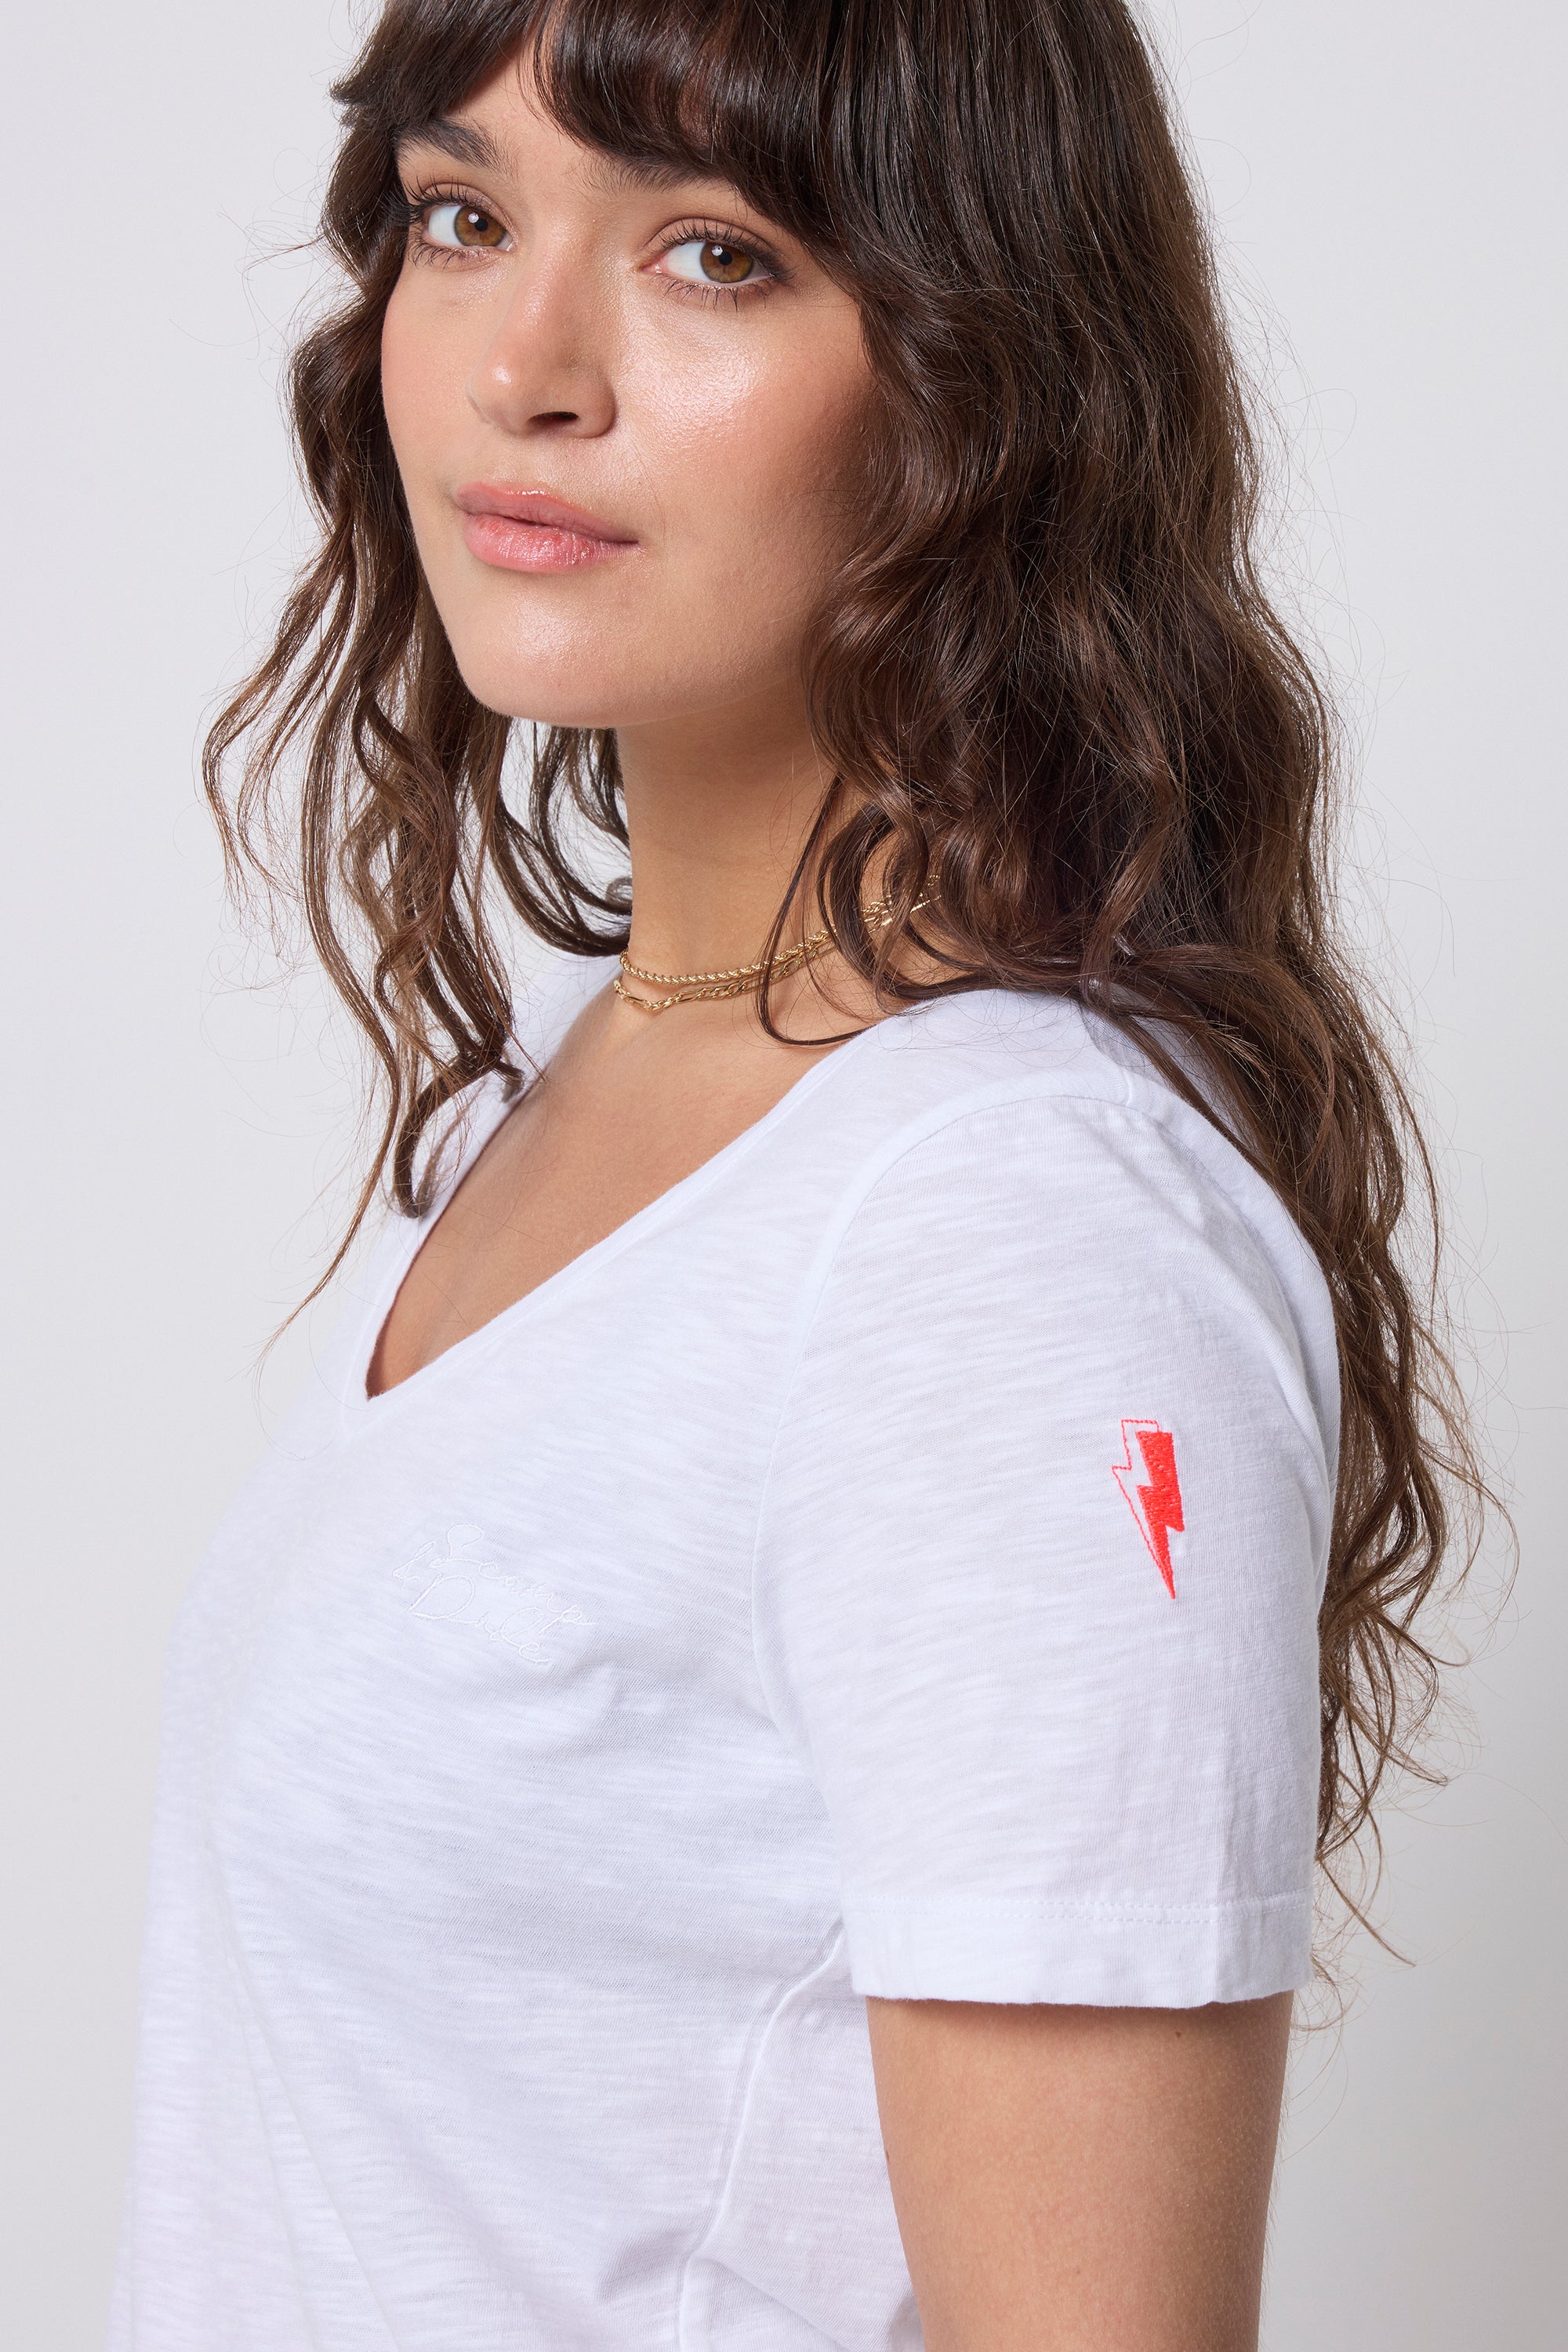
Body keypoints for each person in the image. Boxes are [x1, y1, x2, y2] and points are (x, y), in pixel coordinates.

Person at [105, 3, 1480, 2347]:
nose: (525, 368)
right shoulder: (588, 1051)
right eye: (464, 216)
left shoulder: (1008, 1235)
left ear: (986, 376)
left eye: (715, 253)